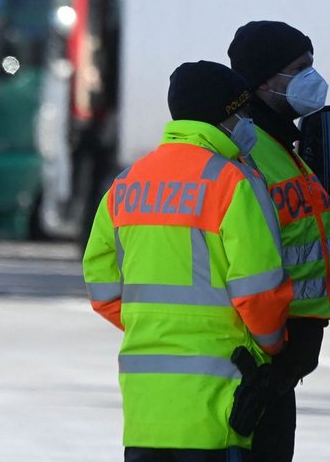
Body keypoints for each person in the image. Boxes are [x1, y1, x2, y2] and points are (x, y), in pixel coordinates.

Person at [82, 60, 294, 462]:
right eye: (242, 113)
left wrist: (154, 323)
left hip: (146, 408)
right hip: (218, 399)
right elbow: (259, 291)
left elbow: (101, 282)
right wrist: (271, 349)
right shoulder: (234, 182)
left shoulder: (127, 183)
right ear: (225, 115)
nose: (247, 122)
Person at [227, 20, 330, 462]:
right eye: (300, 68)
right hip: (260, 358)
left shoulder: (284, 146)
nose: (312, 78)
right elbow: (249, 261)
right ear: (265, 80)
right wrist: (271, 344)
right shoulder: (250, 151)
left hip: (283, 357)